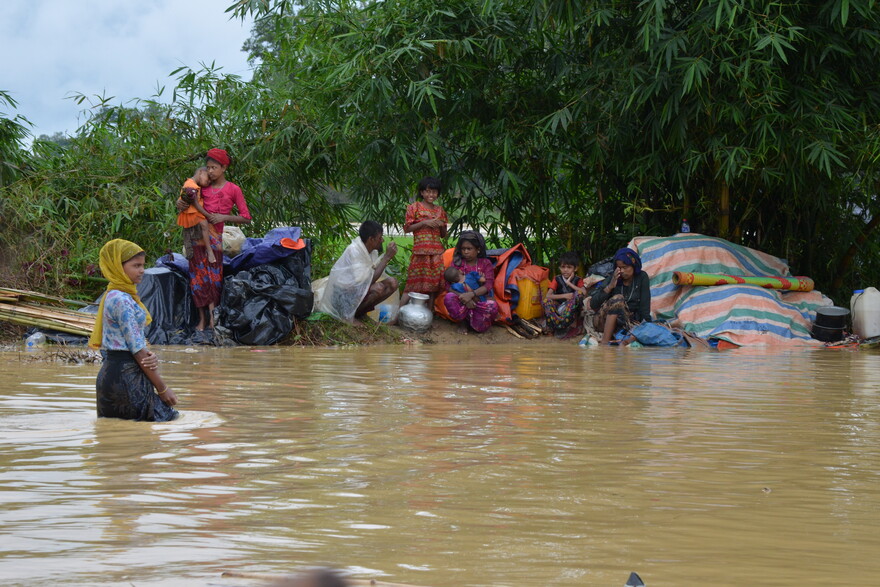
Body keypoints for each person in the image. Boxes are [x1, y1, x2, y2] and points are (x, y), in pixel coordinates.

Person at [89, 239, 179, 421]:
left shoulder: (113, 294)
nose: (142, 270)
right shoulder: (122, 300)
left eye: (143, 265)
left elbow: (131, 343)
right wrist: (163, 389)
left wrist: (148, 354)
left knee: (116, 437)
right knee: (156, 428)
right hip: (127, 378)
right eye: (135, 265)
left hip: (112, 374)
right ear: (117, 267)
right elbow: (136, 349)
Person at [176, 148, 252, 332]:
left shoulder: (233, 189)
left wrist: (223, 217)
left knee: (213, 280)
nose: (210, 171)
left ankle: (213, 319)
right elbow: (185, 201)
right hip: (195, 238)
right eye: (208, 167)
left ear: (224, 167)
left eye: (214, 167)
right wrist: (179, 203)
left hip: (215, 239)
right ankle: (201, 320)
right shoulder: (202, 186)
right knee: (197, 280)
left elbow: (246, 217)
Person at [318, 220, 399, 323]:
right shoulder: (354, 250)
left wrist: (385, 258)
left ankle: (360, 313)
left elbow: (368, 279)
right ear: (371, 239)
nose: (382, 240)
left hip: (358, 291)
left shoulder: (372, 251)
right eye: (379, 238)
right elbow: (365, 281)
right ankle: (347, 316)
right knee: (378, 288)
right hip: (343, 297)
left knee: (392, 283)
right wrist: (386, 258)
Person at [401, 176, 448, 307]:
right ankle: (398, 314)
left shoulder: (440, 211)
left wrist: (441, 226)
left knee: (434, 286)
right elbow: (407, 229)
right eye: (427, 191)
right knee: (412, 283)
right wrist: (425, 222)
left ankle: (430, 313)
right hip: (420, 252)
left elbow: (444, 235)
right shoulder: (414, 207)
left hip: (436, 253)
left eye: (434, 192)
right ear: (422, 192)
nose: (431, 194)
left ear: (438, 193)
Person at [589, 247, 652, 344]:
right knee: (618, 299)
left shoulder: (642, 278)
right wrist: (610, 287)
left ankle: (618, 339)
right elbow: (593, 304)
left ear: (633, 265)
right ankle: (605, 344)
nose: (621, 271)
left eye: (625, 267)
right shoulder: (613, 278)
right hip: (603, 322)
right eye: (619, 267)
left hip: (626, 323)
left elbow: (645, 307)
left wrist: (647, 327)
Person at [443, 231, 499, 332]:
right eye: (463, 249)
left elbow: (488, 286)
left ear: (478, 250)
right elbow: (448, 286)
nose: (466, 252)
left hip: (480, 301)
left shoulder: (486, 263)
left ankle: (476, 324)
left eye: (469, 249)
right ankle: (462, 323)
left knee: (492, 306)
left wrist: (471, 295)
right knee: (449, 297)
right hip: (462, 301)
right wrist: (465, 298)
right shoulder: (457, 263)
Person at [542, 250, 587, 337]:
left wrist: (569, 283)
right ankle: (552, 327)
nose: (565, 270)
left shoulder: (578, 279)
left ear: (575, 268)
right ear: (559, 268)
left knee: (578, 295)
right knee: (547, 301)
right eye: (563, 267)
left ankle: (571, 324)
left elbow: (584, 292)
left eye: (569, 267)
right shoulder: (557, 279)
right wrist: (565, 296)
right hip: (559, 308)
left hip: (571, 310)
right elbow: (548, 295)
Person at [177, 166, 216, 263]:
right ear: (201, 173)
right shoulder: (191, 186)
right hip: (192, 212)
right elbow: (196, 204)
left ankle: (204, 251)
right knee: (204, 225)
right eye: (208, 178)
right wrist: (207, 215)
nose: (209, 182)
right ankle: (209, 250)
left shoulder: (192, 184)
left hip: (193, 212)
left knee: (195, 232)